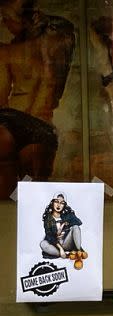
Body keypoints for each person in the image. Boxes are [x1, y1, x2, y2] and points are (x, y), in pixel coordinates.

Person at [0, 0, 75, 196]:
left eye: (7, 18)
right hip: (42, 127)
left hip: (10, 121)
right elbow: (67, 27)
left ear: (24, 20)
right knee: (36, 196)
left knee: (7, 198)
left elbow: (1, 97)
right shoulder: (57, 44)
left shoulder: (7, 53)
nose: (4, 24)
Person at [40, 192, 87, 269]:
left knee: (75, 227)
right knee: (43, 243)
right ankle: (67, 255)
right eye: (56, 202)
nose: (58, 205)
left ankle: (78, 253)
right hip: (55, 246)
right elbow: (49, 236)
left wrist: (65, 224)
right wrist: (61, 249)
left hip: (66, 242)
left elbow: (78, 222)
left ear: (64, 205)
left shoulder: (66, 215)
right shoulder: (48, 218)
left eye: (62, 203)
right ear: (52, 203)